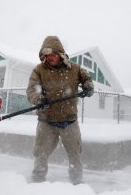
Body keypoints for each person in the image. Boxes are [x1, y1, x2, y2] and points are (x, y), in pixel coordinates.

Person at [26, 36, 94, 184]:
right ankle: (37, 183)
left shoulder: (74, 69)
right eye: (45, 55)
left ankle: (77, 184)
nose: (48, 58)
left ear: (60, 53)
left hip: (69, 121)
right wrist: (38, 99)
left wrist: (88, 85)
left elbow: (87, 78)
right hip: (46, 121)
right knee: (40, 155)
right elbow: (32, 89)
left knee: (75, 155)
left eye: (52, 54)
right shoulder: (39, 70)